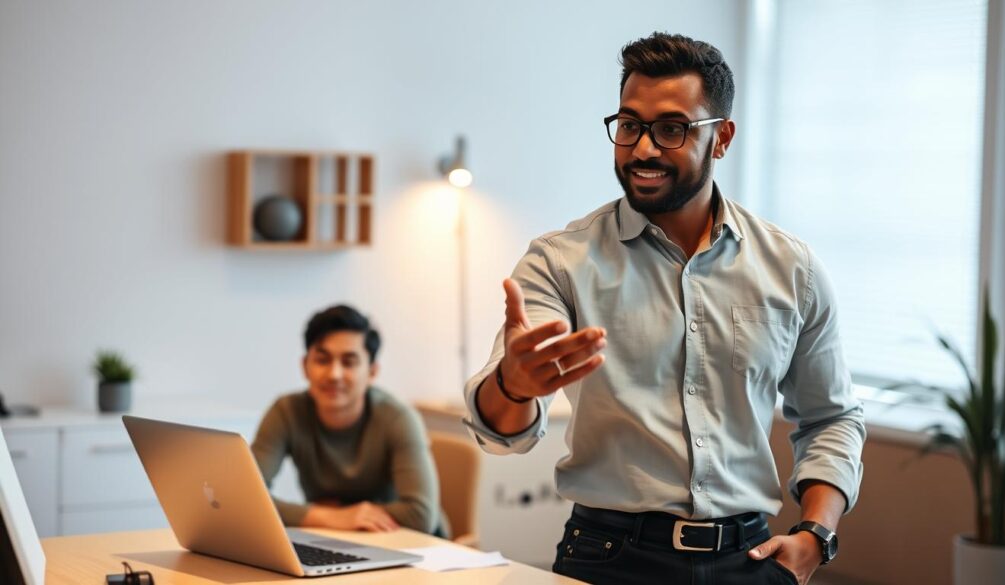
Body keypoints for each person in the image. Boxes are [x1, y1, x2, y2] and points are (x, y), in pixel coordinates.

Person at [463, 33, 865, 585]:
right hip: (608, 557)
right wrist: (514, 384)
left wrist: (815, 535)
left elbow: (831, 416)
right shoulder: (560, 261)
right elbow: (499, 431)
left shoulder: (791, 268)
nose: (644, 148)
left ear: (721, 138)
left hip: (752, 560)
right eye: (629, 126)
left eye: (671, 129)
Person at [252, 304, 445, 535]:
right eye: (322, 360)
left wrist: (332, 515)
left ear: (372, 372)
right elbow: (246, 496)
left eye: (349, 362)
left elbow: (420, 516)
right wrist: (330, 517)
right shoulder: (286, 412)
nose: (334, 374)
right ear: (305, 366)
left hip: (407, 544)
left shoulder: (398, 419)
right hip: (330, 538)